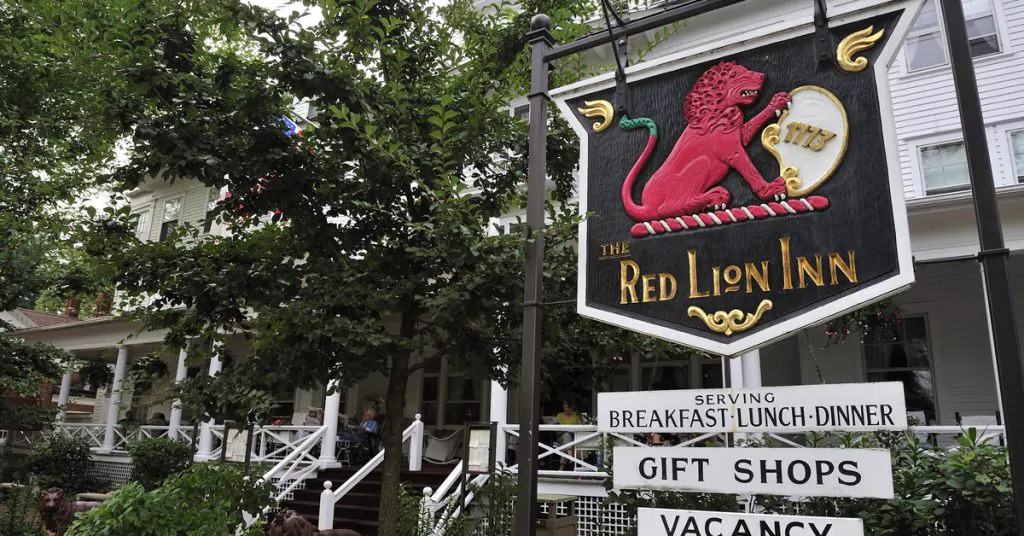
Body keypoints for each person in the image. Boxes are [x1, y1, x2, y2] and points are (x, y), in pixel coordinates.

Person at [556, 400, 582, 471]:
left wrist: (579, 417)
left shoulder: (576, 415)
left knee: (567, 439)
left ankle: (562, 466)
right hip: (560, 437)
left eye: (568, 408)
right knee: (567, 436)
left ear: (572, 407)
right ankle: (570, 456)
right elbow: (554, 427)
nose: (567, 409)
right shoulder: (559, 415)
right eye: (565, 407)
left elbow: (581, 427)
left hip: (574, 437)